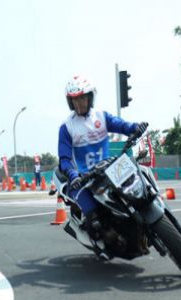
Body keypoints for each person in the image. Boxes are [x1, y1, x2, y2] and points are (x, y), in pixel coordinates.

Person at [58, 75, 147, 259]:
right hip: (84, 177)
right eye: (75, 100)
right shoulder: (67, 127)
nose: (80, 103)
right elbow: (64, 159)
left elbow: (122, 126)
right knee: (94, 217)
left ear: (90, 98)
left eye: (83, 98)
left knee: (140, 178)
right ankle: (101, 243)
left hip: (109, 168)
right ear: (70, 102)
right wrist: (73, 174)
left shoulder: (101, 116)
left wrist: (135, 127)